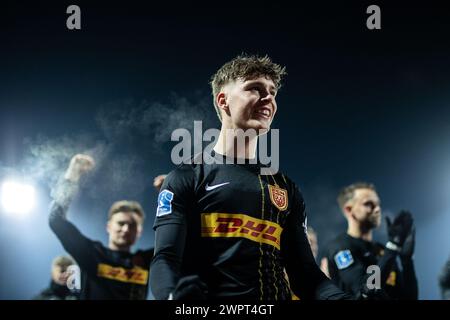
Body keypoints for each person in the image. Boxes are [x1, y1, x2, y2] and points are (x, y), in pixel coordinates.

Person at [150, 54, 351, 300]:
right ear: (223, 101)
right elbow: (165, 259)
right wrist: (172, 297)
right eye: (255, 89)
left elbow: (305, 274)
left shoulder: (285, 187)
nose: (269, 98)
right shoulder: (186, 177)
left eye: (273, 92)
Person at [49, 154, 154, 300]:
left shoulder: (148, 260)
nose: (125, 229)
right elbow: (56, 220)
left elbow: (188, 242)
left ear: (139, 232)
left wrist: (174, 193)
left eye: (132, 226)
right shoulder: (92, 254)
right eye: (121, 223)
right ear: (108, 226)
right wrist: (73, 174)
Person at [325, 182, 418, 299]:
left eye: (378, 204)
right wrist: (393, 247)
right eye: (369, 204)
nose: (377, 209)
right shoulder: (340, 247)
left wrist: (407, 261)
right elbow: (365, 292)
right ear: (349, 210)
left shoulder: (383, 250)